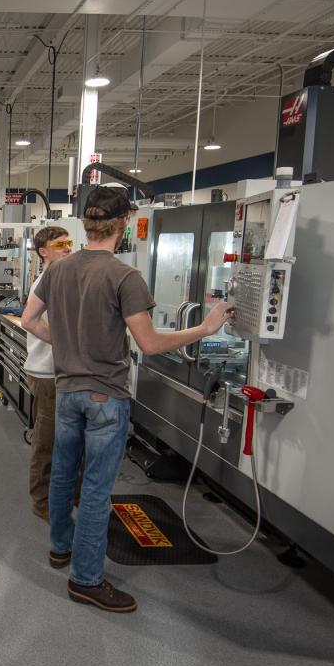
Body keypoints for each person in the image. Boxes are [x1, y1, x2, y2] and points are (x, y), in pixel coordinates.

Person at [21, 187, 232, 614]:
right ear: (121, 225)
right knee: (96, 491)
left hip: (66, 391)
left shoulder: (57, 270)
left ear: (85, 224)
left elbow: (28, 320)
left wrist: (65, 348)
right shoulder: (124, 276)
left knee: (62, 475)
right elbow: (150, 343)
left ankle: (60, 549)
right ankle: (86, 580)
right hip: (105, 396)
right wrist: (205, 329)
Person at [21, 225, 73, 522]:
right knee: (47, 439)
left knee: (69, 440)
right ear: (43, 252)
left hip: (64, 371)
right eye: (60, 244)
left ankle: (73, 493)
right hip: (46, 373)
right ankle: (42, 500)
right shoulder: (47, 280)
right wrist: (69, 344)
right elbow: (30, 321)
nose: (67, 248)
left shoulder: (64, 277)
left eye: (69, 242)